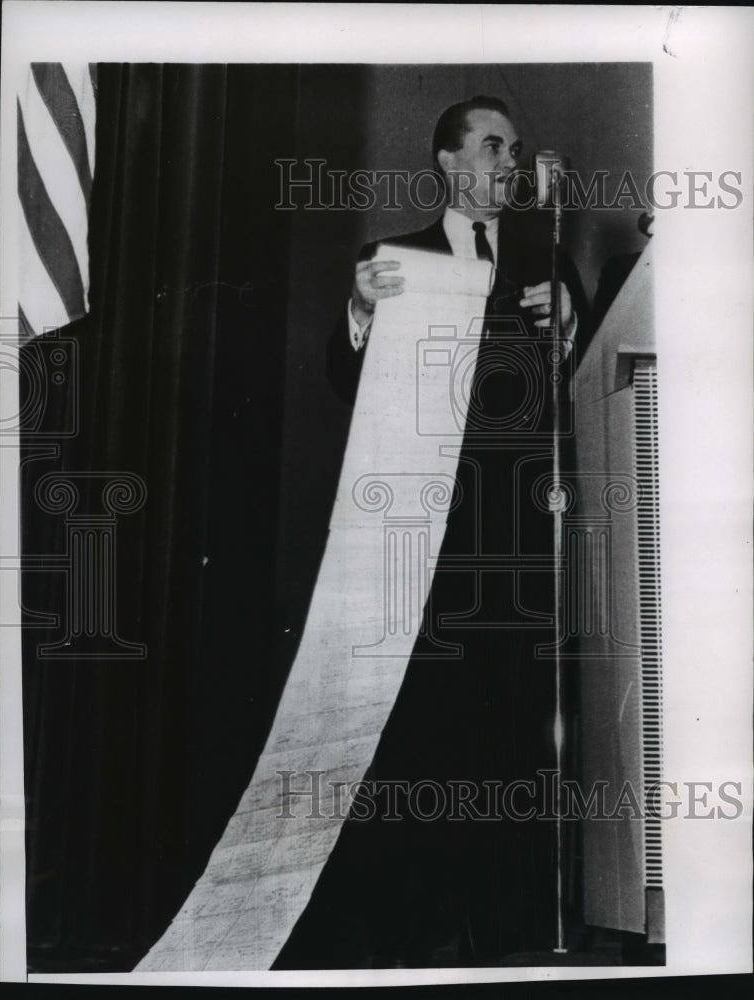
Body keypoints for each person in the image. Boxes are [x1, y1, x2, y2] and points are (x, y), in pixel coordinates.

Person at [275, 96, 591, 970]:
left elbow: (566, 395)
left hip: (514, 544)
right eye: (491, 147)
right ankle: (411, 936)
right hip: (420, 545)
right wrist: (360, 312)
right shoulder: (394, 260)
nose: (509, 162)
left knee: (514, 736)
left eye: (515, 150)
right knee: (424, 733)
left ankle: (511, 936)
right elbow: (347, 380)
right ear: (449, 163)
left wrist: (565, 327)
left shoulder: (544, 258)